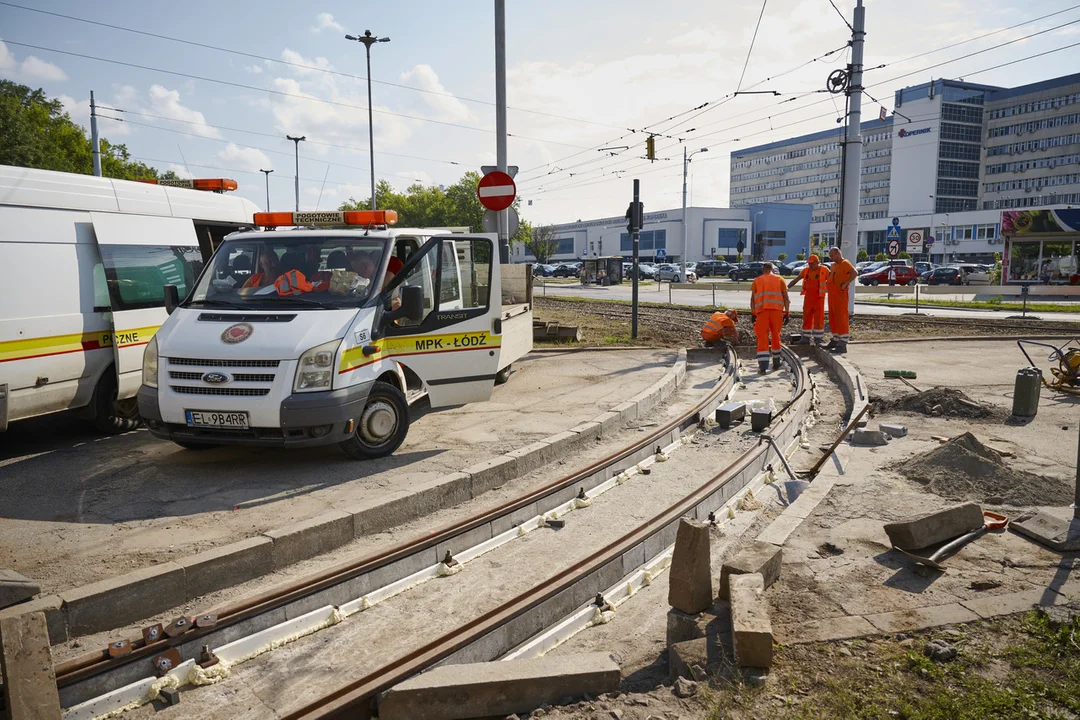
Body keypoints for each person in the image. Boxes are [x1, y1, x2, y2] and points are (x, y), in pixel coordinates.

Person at [750, 262, 790, 373]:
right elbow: (786, 298)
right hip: (777, 311)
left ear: (763, 270)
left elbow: (752, 299)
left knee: (762, 337)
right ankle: (776, 363)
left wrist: (753, 313)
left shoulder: (757, 281)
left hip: (762, 312)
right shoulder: (780, 279)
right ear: (772, 269)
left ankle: (763, 367)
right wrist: (786, 312)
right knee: (776, 335)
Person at [788, 254, 827, 346]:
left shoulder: (824, 270)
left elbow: (832, 280)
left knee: (819, 318)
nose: (810, 265)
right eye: (809, 263)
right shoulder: (806, 271)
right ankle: (806, 338)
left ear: (818, 262)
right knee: (807, 317)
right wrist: (786, 288)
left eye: (812, 263)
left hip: (819, 298)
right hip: (809, 298)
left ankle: (818, 339)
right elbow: (796, 279)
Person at [826, 246, 858, 353]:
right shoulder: (834, 265)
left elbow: (854, 273)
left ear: (838, 253)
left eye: (832, 256)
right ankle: (835, 339)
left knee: (841, 317)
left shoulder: (845, 263)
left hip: (840, 295)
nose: (831, 258)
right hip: (833, 295)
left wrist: (845, 283)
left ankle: (843, 342)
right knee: (833, 317)